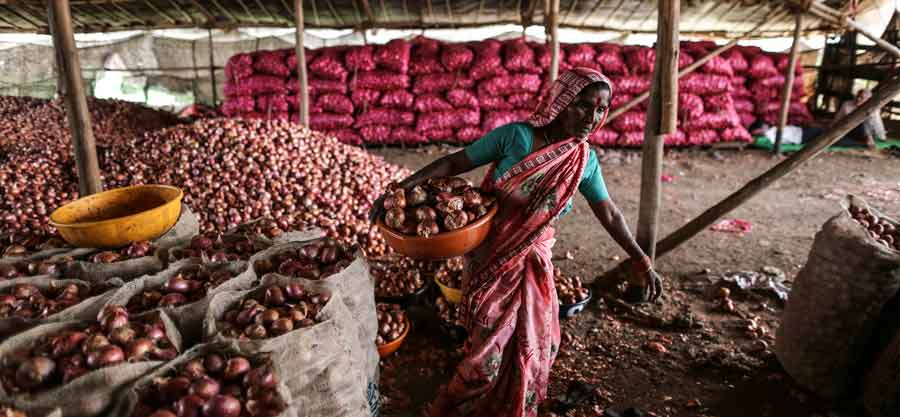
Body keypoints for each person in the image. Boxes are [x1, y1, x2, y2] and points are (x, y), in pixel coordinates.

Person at [369, 68, 663, 417]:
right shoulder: (516, 137)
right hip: (492, 256)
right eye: (583, 106)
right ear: (561, 102)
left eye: (600, 109)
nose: (592, 117)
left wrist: (641, 259)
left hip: (533, 258)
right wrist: (400, 190)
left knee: (542, 339)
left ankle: (512, 404)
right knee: (486, 350)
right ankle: (462, 403)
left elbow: (610, 214)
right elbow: (454, 162)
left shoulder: (583, 159)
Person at [748, 119, 825, 145]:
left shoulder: (770, 131)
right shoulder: (769, 134)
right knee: (822, 133)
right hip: (801, 135)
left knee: (822, 132)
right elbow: (769, 140)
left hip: (802, 133)